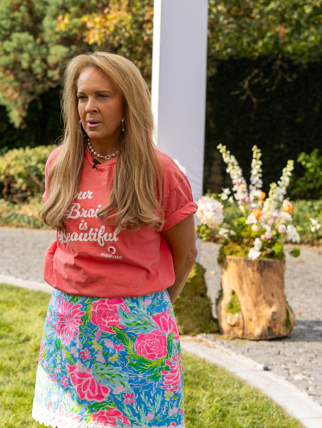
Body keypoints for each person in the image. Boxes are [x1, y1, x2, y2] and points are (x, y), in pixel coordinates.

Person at [32, 52, 198, 427]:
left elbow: (186, 253)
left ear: (127, 102)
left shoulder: (159, 171)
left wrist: (150, 307)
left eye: (103, 96)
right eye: (82, 97)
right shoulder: (60, 163)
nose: (89, 107)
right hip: (69, 328)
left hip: (137, 331)